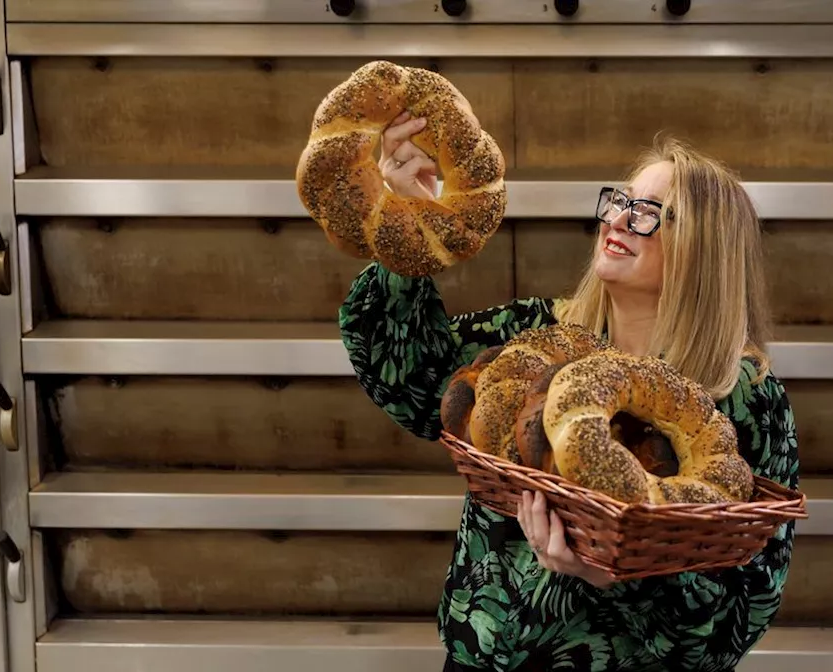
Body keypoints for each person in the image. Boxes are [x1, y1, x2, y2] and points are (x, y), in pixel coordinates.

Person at [339, 110, 801, 672]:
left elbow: (743, 612)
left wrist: (616, 577)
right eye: (620, 202)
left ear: (707, 251)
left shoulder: (744, 399)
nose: (621, 220)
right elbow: (409, 382)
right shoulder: (538, 338)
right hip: (488, 660)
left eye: (652, 213)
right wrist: (410, 218)